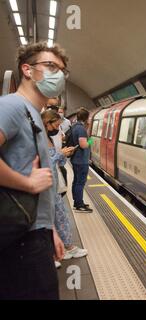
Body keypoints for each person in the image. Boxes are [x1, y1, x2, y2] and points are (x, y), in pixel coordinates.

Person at [0, 41, 67, 299]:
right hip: (20, 242)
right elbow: (31, 181)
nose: (58, 74)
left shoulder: (33, 114)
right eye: (50, 66)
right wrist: (26, 183)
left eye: (61, 70)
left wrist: (49, 228)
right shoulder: (13, 106)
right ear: (27, 70)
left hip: (33, 234)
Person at [41, 110, 88, 264]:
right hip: (45, 184)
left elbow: (57, 161)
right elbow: (43, 162)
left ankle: (65, 247)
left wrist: (63, 154)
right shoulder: (39, 139)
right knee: (53, 218)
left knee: (60, 216)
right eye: (56, 124)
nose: (57, 128)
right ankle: (58, 250)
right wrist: (60, 154)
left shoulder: (48, 137)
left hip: (53, 183)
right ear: (47, 123)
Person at [71, 107, 93, 213]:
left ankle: (77, 202)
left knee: (76, 181)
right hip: (81, 160)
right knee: (80, 182)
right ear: (86, 118)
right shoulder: (81, 129)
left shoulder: (76, 126)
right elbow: (83, 145)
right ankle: (79, 204)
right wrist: (91, 141)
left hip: (76, 159)